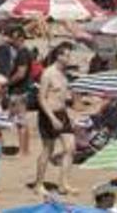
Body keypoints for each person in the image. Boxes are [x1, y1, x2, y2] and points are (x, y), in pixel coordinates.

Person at [29, 41, 76, 195]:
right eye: (67, 55)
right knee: (48, 150)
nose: (69, 58)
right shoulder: (48, 73)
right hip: (49, 114)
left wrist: (71, 113)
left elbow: (63, 96)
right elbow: (41, 98)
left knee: (70, 147)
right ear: (59, 56)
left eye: (70, 55)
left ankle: (64, 184)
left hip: (62, 114)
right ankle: (39, 184)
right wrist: (52, 118)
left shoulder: (64, 74)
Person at [0, 30, 33, 156]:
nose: (12, 41)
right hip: (21, 90)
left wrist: (8, 83)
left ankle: (23, 151)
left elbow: (20, 73)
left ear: (21, 38)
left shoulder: (22, 53)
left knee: (21, 122)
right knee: (21, 121)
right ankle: (25, 150)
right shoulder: (24, 52)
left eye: (14, 38)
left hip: (19, 91)